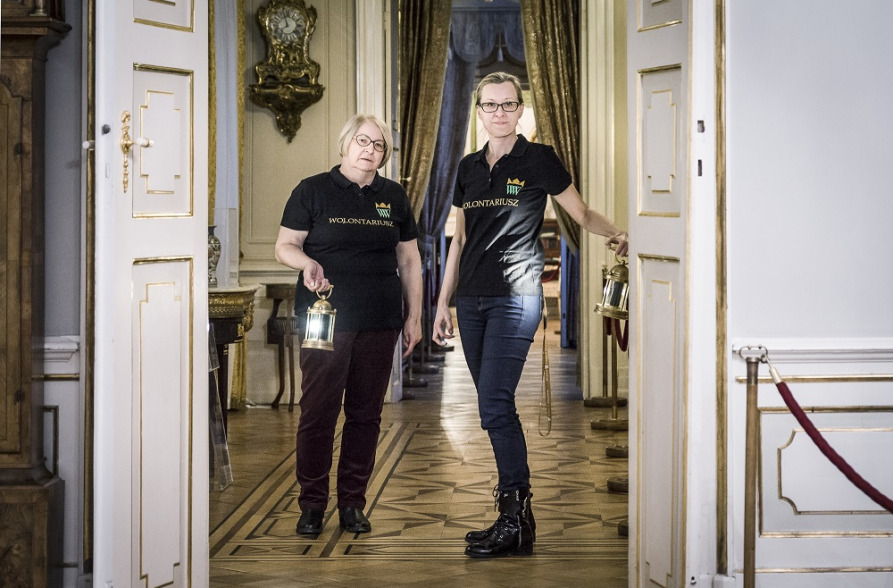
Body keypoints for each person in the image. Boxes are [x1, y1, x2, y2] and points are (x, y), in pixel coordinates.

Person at [432, 72, 629, 558]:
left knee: (496, 403)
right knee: (491, 408)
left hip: (516, 298)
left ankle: (512, 516)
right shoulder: (467, 167)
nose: (499, 113)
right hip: (471, 300)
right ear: (478, 111)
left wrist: (620, 232)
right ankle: (517, 519)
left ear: (521, 111)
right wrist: (442, 302)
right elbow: (459, 239)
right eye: (490, 105)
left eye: (508, 105)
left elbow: (580, 214)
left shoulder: (538, 159)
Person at [275, 114, 422, 536]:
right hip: (324, 318)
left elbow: (409, 259)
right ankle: (312, 504)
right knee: (318, 411)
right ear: (345, 144)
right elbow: (285, 245)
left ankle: (353, 503)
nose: (370, 150)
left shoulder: (392, 196)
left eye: (379, 146)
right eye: (363, 141)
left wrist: (413, 315)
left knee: (365, 414)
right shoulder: (313, 190)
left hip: (379, 319)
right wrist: (307, 263)